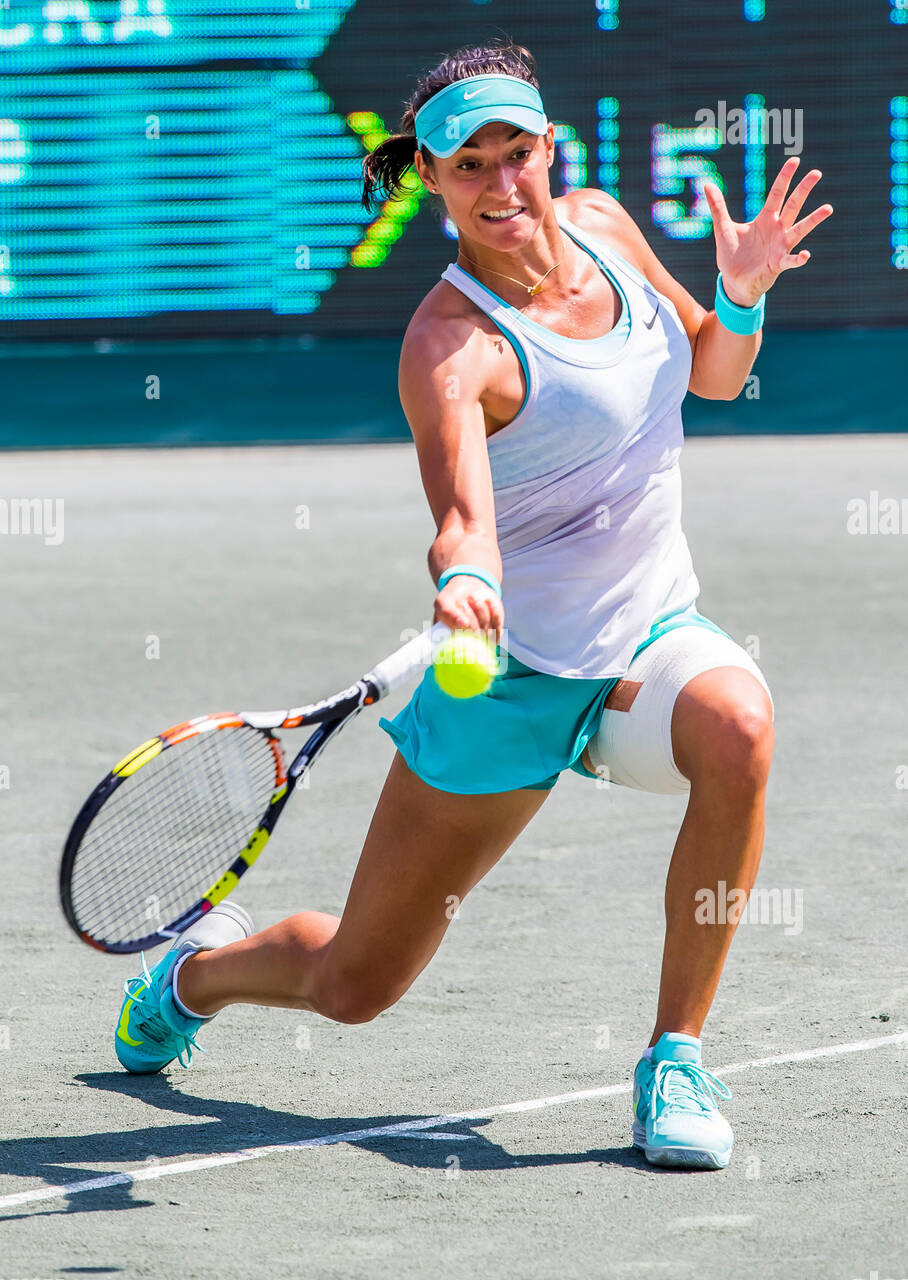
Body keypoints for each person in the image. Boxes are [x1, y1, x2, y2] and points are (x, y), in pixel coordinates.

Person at [114, 41, 832, 1170]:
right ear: (430, 181)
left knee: (739, 726)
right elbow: (460, 512)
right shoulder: (446, 345)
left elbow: (713, 373)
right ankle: (197, 974)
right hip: (510, 671)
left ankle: (674, 1058)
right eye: (468, 166)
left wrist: (737, 295)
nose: (501, 187)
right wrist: (465, 580)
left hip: (646, 641)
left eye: (517, 154)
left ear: (552, 150)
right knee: (354, 984)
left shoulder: (603, 224)